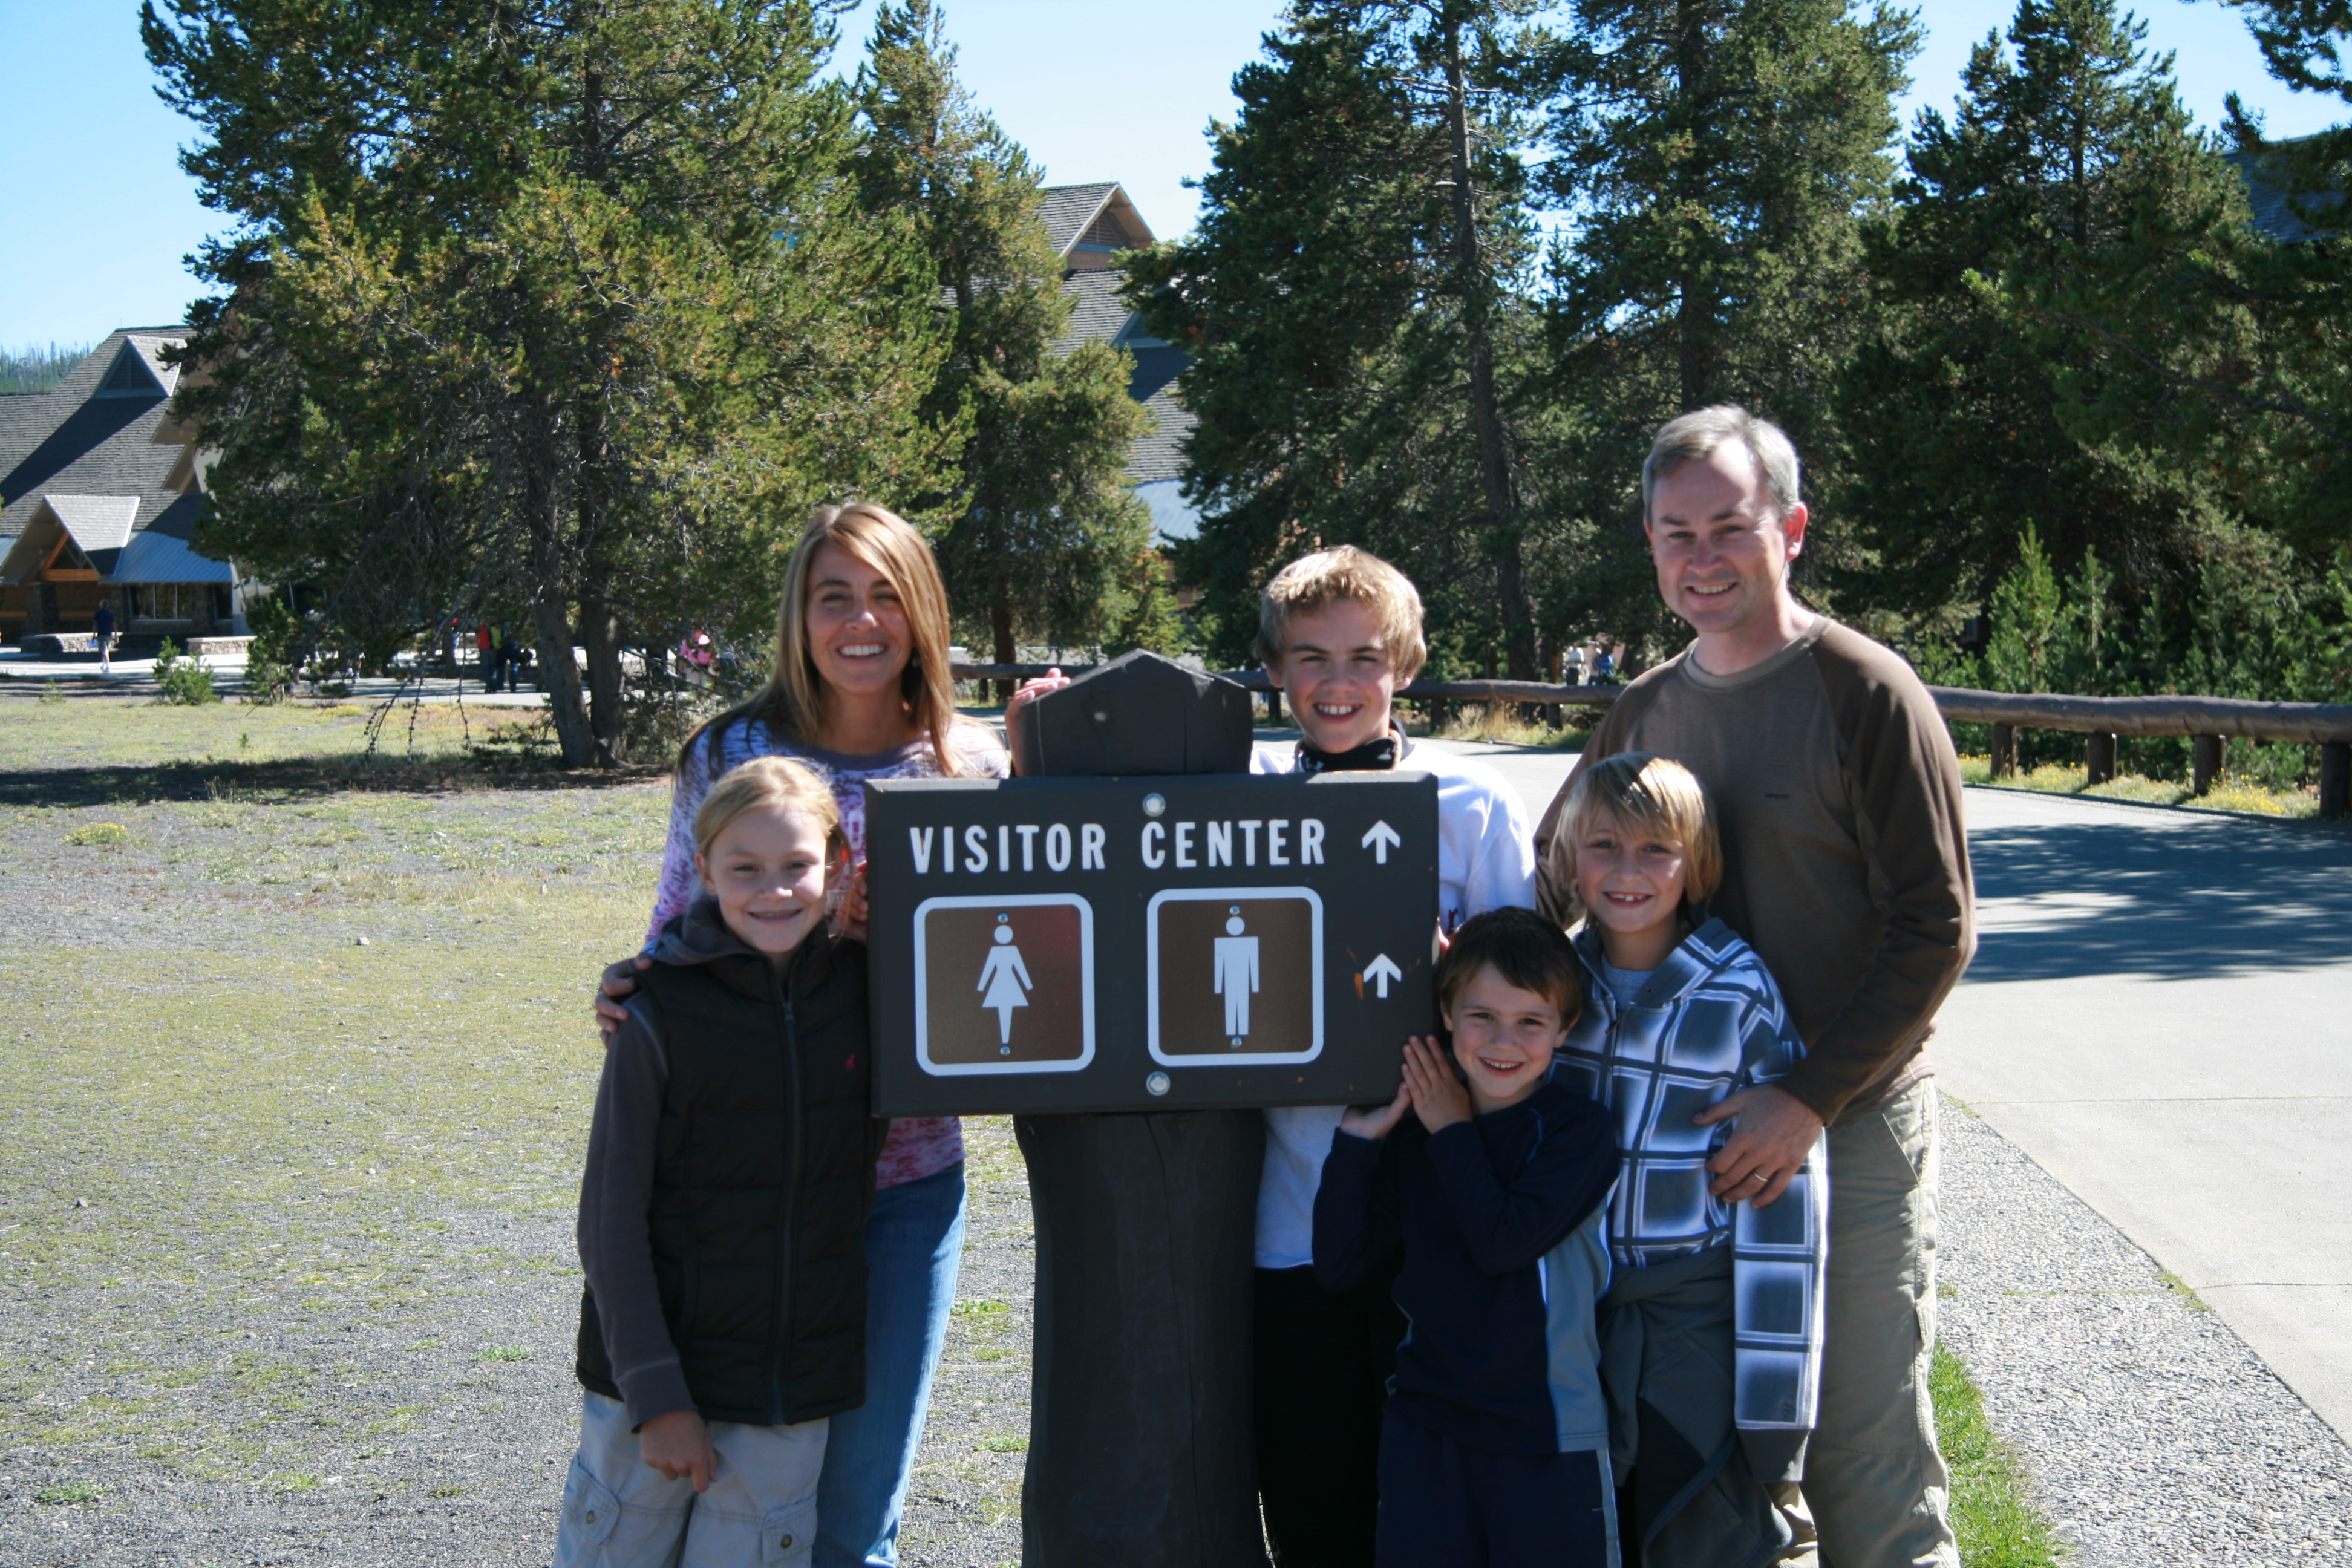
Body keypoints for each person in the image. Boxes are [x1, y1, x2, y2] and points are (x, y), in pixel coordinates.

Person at [1535, 405, 1974, 1567]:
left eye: (1728, 526)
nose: (1702, 556)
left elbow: (1934, 928)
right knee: (1712, 1458)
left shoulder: (1863, 691)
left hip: (1847, 1116)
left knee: (1861, 1451)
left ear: (1790, 527)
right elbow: (1557, 876)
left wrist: (1806, 1098)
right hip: (1678, 1150)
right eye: (1675, 532)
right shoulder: (1645, 706)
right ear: (1648, 541)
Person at [596, 501, 1006, 1568]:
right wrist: (637, 987)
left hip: (904, 1184)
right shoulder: (731, 750)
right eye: (835, 597)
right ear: (799, 615)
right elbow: (683, 924)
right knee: (729, 1509)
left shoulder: (971, 766)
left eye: (885, 596)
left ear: (922, 613)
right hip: (745, 1190)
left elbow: (1023, 964)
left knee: (855, 1517)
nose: (861, 621)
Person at [1256, 546, 1543, 1565]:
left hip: (1430, 1202)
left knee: (1428, 1480)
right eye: (1310, 657)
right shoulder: (1241, 791)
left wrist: (1445, 967)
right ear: (1275, 669)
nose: (1337, 683)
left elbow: (1524, 999)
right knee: (1309, 1476)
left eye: (1364, 658)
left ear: (1407, 666)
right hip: (1291, 1198)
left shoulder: (1471, 802)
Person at [561, 756, 874, 1568]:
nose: (775, 890)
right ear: (703, 871)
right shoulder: (656, 1011)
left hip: (791, 1387)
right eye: (745, 869)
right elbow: (609, 1220)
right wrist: (655, 1394)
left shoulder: (870, 995)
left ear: (838, 864)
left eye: (798, 865)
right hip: (657, 1386)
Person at [1544, 751, 1828, 1566]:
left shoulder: (1739, 995)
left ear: (1695, 862)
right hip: (1571, 1321)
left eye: (1656, 850)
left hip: (1690, 1328)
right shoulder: (1553, 986)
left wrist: (1775, 1413)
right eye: (1604, 846)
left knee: (1690, 1532)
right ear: (1571, 858)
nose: (1627, 872)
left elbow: (1786, 1213)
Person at [1312, 907, 1619, 1567]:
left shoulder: (1578, 1132)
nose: (1504, 1041)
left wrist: (1451, 1129)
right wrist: (1358, 1143)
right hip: (1426, 1427)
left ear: (1566, 1028)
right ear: (1446, 1014)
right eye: (1482, 1015)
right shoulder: (1418, 1134)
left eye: (1531, 1021)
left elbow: (1502, 1243)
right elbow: (1340, 1266)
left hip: (1546, 1434)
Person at [93, 599, 116, 675]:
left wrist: (94, 635)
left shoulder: (98, 613)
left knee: (104, 650)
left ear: (101, 606)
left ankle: (108, 666)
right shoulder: (110, 614)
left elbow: (95, 624)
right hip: (109, 634)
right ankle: (104, 665)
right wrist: (115, 635)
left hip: (101, 634)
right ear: (107, 606)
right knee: (106, 650)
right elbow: (114, 625)